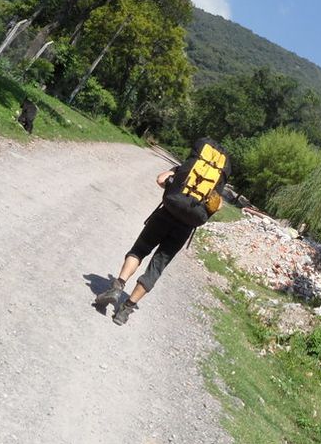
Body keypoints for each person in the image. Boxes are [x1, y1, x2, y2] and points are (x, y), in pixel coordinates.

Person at [94, 138, 231, 325]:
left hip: (165, 214)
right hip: (185, 227)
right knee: (157, 266)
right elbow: (218, 206)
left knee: (139, 250)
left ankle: (117, 287)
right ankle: (125, 310)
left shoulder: (184, 170)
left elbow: (160, 179)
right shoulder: (215, 183)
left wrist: (175, 182)